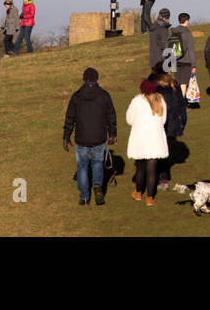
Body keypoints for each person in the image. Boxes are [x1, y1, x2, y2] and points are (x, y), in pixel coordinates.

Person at [62, 67, 117, 206]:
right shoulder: (104, 96)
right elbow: (111, 116)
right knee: (97, 163)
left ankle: (85, 197)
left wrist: (66, 137)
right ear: (97, 79)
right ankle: (97, 185)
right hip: (99, 137)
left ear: (83, 79)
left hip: (81, 138)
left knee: (82, 166)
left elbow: (70, 118)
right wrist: (113, 134)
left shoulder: (76, 96)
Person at [125, 78, 168, 205]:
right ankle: (150, 197)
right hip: (155, 139)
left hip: (140, 138)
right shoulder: (160, 100)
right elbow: (163, 120)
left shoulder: (137, 101)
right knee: (152, 169)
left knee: (140, 167)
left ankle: (138, 192)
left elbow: (129, 119)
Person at [153, 71, 187, 186]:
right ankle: (164, 177)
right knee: (164, 151)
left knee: (157, 152)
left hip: (159, 123)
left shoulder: (157, 88)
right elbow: (181, 105)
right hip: (172, 123)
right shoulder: (174, 86)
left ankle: (159, 176)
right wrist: (182, 122)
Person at [170, 13, 197, 101]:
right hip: (186, 61)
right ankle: (180, 103)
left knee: (176, 82)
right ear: (186, 21)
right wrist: (193, 65)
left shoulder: (172, 31)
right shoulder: (187, 32)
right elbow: (191, 49)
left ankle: (175, 100)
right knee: (184, 83)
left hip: (174, 60)